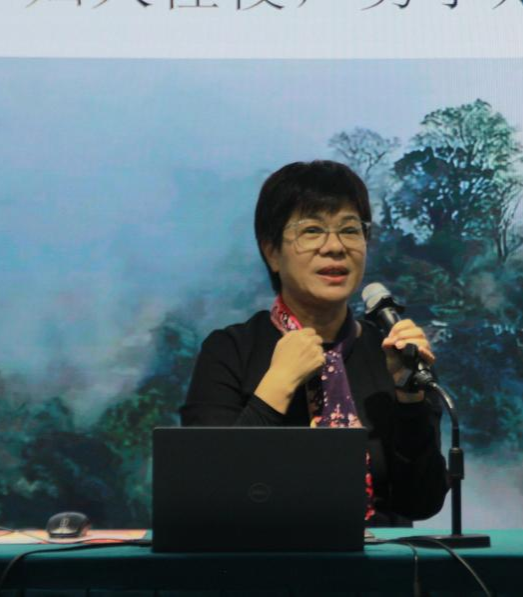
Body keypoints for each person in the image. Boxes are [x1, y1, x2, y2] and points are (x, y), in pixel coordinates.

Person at [180, 160, 448, 527]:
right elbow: (209, 492)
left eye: (350, 230)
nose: (334, 247)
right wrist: (278, 383)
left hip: (380, 559)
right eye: (312, 230)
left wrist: (409, 398)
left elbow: (421, 502)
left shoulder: (391, 353)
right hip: (265, 557)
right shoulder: (229, 351)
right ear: (272, 252)